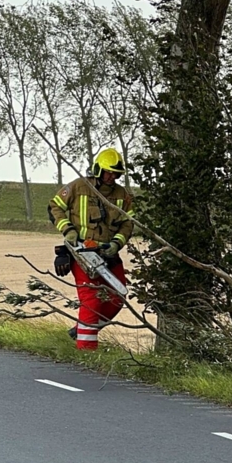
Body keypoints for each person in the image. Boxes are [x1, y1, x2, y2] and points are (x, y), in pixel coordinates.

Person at [48, 147, 134, 350]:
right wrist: (68, 230)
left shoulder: (123, 195)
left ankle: (82, 329)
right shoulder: (79, 187)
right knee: (92, 299)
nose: (111, 176)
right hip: (81, 254)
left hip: (108, 254)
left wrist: (116, 244)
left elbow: (128, 223)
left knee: (118, 296)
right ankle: (86, 351)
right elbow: (55, 206)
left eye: (115, 173)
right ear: (98, 169)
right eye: (108, 171)